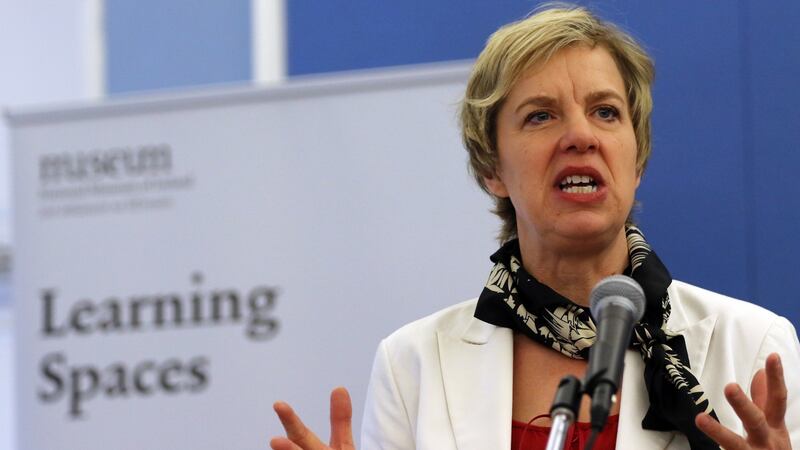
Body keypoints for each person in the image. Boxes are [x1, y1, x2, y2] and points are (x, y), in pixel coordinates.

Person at [270, 6, 800, 450]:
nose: (580, 136)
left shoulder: (752, 346)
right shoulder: (415, 363)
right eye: (541, 116)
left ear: (636, 162)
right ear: (491, 169)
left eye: (606, 112)